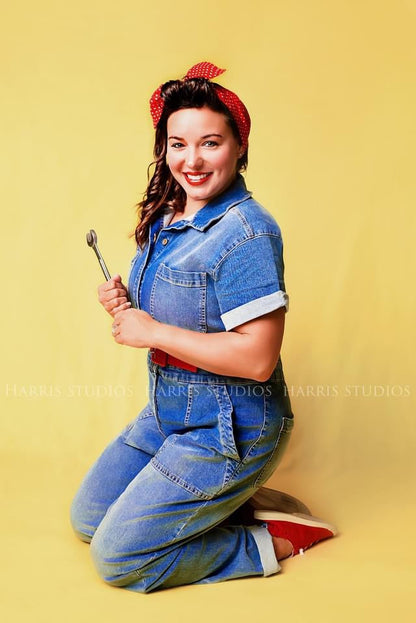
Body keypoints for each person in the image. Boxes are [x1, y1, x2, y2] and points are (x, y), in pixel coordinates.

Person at [70, 62, 337, 593]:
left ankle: (275, 539)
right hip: (169, 411)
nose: (191, 161)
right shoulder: (168, 215)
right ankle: (227, 502)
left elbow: (257, 359)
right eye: (178, 144)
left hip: (231, 428)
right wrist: (126, 306)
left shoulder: (247, 232)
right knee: (89, 518)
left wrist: (152, 333)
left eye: (210, 143)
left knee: (117, 559)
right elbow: (184, 309)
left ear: (239, 147)